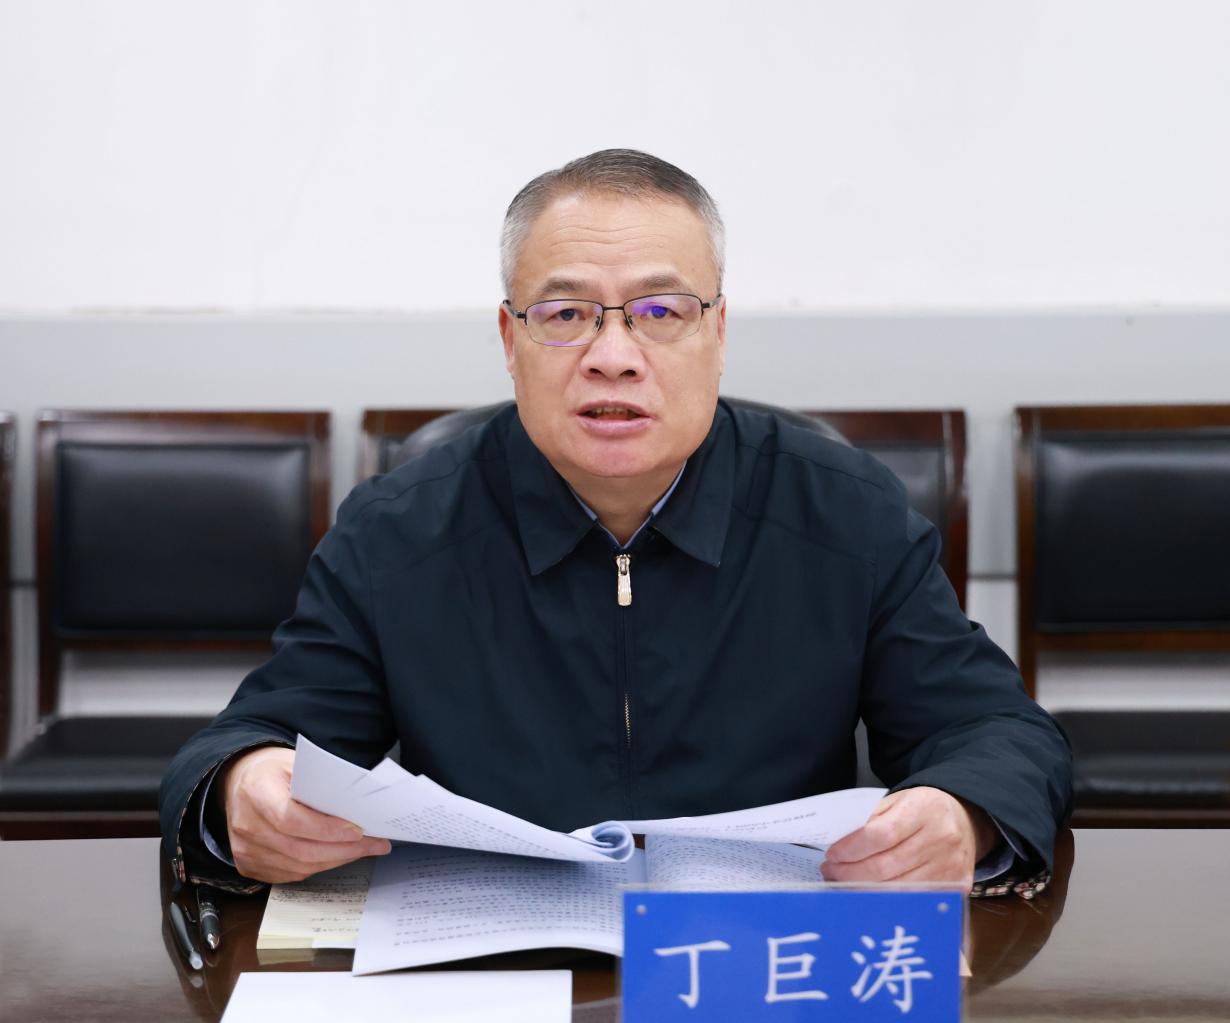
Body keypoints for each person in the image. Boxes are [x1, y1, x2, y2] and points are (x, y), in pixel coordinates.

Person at [160, 149, 1071, 894]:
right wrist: (245, 790)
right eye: (565, 314)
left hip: (753, 962)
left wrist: (961, 812)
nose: (613, 356)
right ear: (510, 340)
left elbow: (999, 731)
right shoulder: (396, 532)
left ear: (719, 333)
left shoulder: (844, 512)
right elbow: (254, 738)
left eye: (661, 311)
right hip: (493, 962)